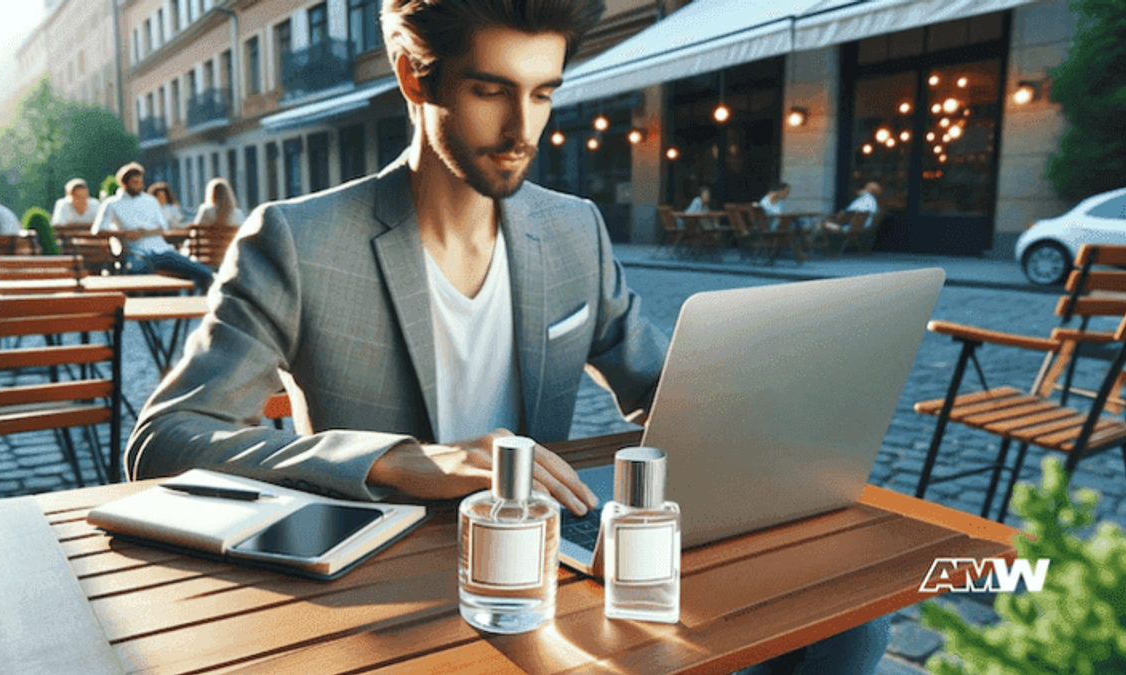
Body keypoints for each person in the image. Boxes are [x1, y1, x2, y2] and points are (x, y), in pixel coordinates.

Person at [126, 3, 889, 672]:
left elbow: (662, 385)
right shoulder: (296, 240)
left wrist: (778, 421)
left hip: (545, 566)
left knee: (853, 624)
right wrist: (398, 460)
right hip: (386, 583)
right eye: (490, 89)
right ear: (413, 77)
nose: (523, 130)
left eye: (543, 93)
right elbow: (163, 439)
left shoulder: (572, 230)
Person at [92, 163, 215, 289]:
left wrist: (145, 232)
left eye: (140, 181)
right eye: (135, 182)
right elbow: (98, 231)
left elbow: (163, 228)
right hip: (136, 252)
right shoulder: (112, 203)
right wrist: (125, 234)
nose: (139, 185)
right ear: (124, 183)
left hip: (162, 250)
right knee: (136, 276)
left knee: (205, 273)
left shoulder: (151, 200)